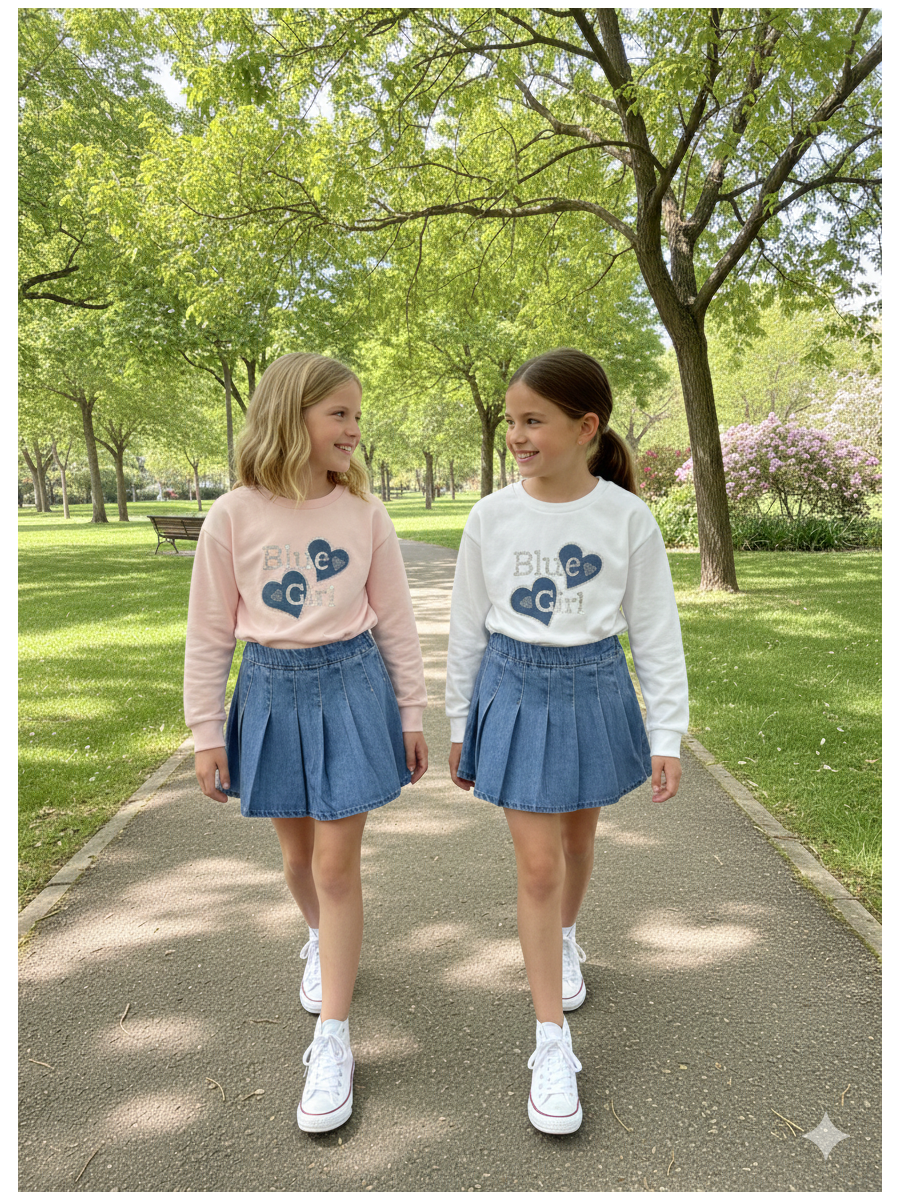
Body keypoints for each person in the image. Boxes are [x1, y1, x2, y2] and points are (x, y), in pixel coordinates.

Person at [184, 352, 428, 1134]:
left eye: (357, 415)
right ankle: (322, 941)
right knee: (297, 862)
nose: (355, 430)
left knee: (334, 865)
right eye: (340, 415)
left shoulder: (364, 514)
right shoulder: (232, 516)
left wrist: (413, 714)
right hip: (270, 691)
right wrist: (205, 732)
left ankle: (334, 1037)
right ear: (293, 419)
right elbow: (209, 632)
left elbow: (397, 621)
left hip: (352, 685)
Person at [446, 348, 688, 1136]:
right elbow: (466, 629)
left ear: (586, 428)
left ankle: (566, 937)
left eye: (533, 421)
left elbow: (656, 632)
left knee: (579, 843)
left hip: (595, 688)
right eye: (511, 420)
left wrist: (668, 733)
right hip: (513, 689)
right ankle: (551, 1039)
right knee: (540, 864)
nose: (517, 435)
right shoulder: (489, 517)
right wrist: (459, 722)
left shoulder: (626, 518)